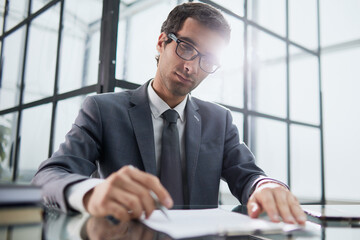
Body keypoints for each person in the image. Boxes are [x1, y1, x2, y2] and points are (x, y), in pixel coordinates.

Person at [32, 2, 306, 225]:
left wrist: (266, 186)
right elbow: (50, 175)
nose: (192, 67)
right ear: (162, 42)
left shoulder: (219, 121)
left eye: (207, 59)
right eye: (186, 47)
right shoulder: (103, 110)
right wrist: (91, 192)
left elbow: (248, 175)